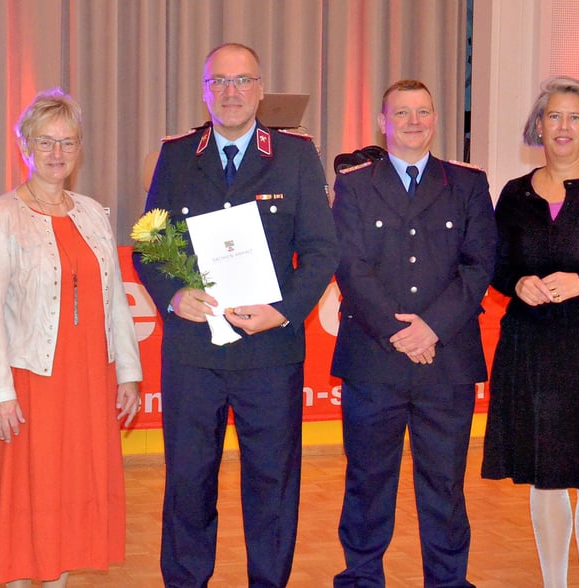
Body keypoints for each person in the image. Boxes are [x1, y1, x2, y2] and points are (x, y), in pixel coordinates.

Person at [134, 43, 339, 586]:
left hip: (270, 353)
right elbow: (149, 240)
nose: (230, 92)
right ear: (204, 91)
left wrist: (284, 311)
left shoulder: (295, 155)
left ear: (261, 90)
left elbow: (322, 249)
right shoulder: (177, 155)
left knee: (272, 485)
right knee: (188, 482)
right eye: (219, 82)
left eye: (242, 81)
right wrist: (175, 295)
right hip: (193, 353)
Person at [0, 87, 143, 587]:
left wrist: (128, 373)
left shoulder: (92, 213)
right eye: (45, 142)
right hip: (29, 383)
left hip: (88, 380)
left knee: (69, 496)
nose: (57, 153)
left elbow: (114, 300)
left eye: (67, 142)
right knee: (25, 500)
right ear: (24, 146)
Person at [331, 79, 497, 587]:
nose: (413, 122)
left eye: (422, 112)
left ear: (435, 118)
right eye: (401, 113)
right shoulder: (355, 186)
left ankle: (448, 581)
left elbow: (479, 264)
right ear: (383, 121)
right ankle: (361, 578)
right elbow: (350, 266)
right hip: (374, 358)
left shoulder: (467, 184)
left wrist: (431, 329)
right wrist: (401, 332)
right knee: (366, 481)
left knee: (445, 483)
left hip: (445, 360)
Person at [482, 76, 579, 588]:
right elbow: (496, 267)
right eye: (553, 116)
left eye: (574, 117)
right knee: (543, 477)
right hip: (532, 349)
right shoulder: (514, 194)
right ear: (538, 126)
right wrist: (517, 282)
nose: (562, 127)